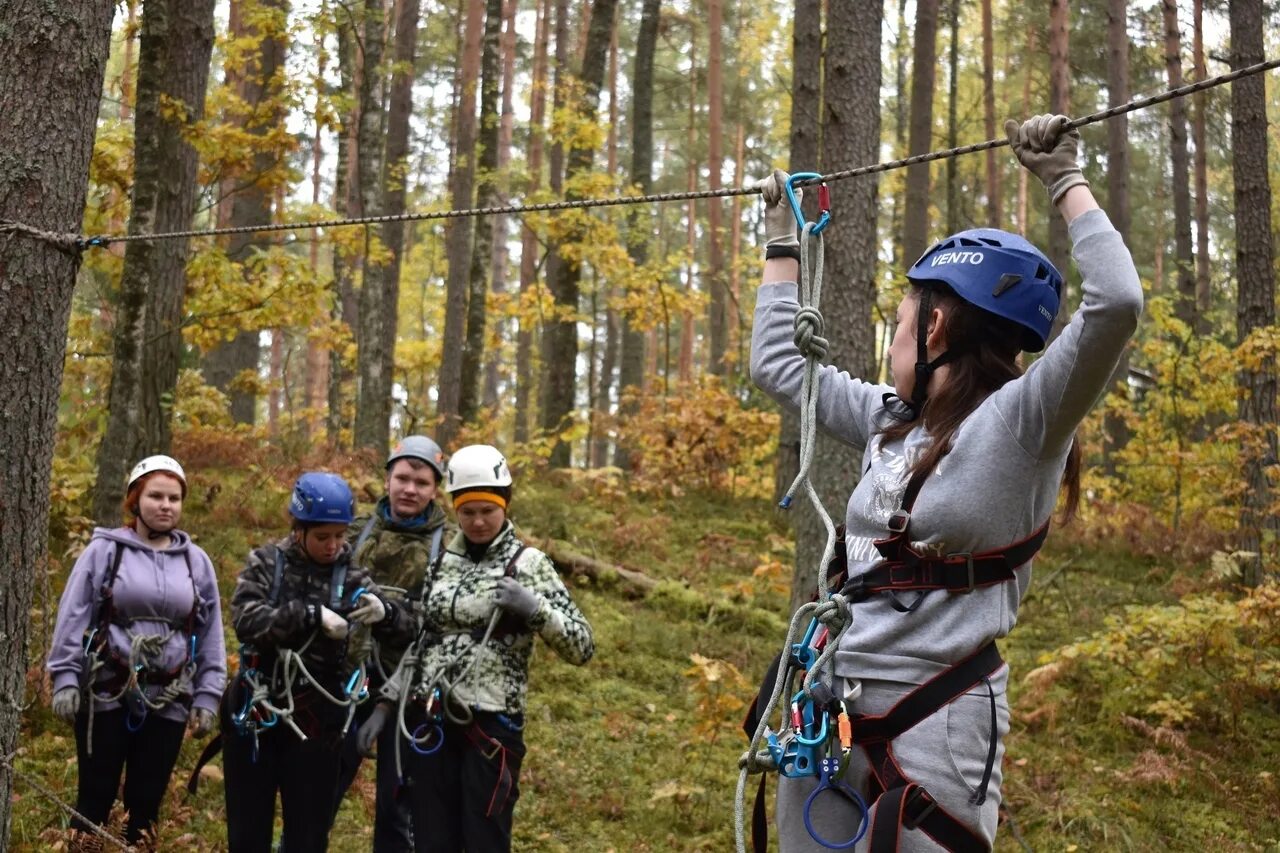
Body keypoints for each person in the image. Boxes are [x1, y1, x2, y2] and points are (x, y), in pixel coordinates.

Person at [749, 114, 1143, 851]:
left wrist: (1065, 180)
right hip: (831, 709)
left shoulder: (1023, 423)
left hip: (938, 727)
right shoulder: (888, 417)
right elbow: (778, 367)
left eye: (897, 327)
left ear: (933, 332)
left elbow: (1117, 304)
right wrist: (781, 236)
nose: (890, 343)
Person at [356, 444, 595, 853]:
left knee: (484, 839)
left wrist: (534, 608)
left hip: (490, 728)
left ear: (505, 504)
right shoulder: (444, 562)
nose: (478, 521)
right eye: (467, 511)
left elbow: (582, 645)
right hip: (432, 720)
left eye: (487, 510)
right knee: (431, 839)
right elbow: (421, 643)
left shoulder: (529, 564)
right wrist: (384, 705)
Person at [221, 471, 413, 853]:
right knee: (247, 831)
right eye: (322, 537)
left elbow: (407, 630)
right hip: (258, 710)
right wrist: (309, 615)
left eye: (340, 536)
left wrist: (386, 613)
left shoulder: (353, 575)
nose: (333, 546)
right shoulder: (266, 563)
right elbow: (245, 621)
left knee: (308, 836)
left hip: (317, 720)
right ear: (299, 530)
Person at [47, 454, 226, 845]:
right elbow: (73, 613)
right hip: (107, 692)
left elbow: (211, 633)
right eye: (156, 496)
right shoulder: (105, 552)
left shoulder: (197, 563)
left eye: (174, 498)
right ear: (135, 501)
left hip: (169, 700)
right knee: (94, 798)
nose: (165, 505)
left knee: (145, 804)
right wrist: (64, 677)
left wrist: (209, 695)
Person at [329, 436, 451, 851]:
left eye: (421, 482)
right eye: (402, 478)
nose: (410, 489)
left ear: (436, 488)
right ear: (387, 478)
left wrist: (393, 616)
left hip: (413, 687)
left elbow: (446, 621)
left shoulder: (450, 545)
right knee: (322, 781)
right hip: (348, 677)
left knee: (398, 801)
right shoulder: (355, 531)